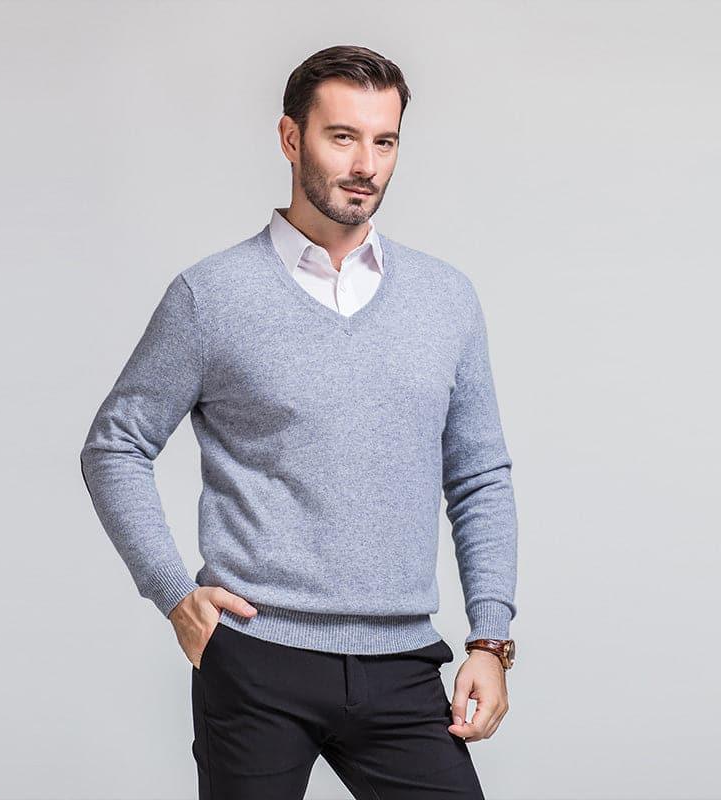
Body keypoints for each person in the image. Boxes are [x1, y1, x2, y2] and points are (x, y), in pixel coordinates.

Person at [80, 44, 518, 800]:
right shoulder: (211, 296)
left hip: (403, 660)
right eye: (342, 137)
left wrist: (491, 638)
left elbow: (480, 477)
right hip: (256, 659)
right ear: (291, 138)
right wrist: (174, 594)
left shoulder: (446, 299)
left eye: (385, 141)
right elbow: (115, 445)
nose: (366, 165)